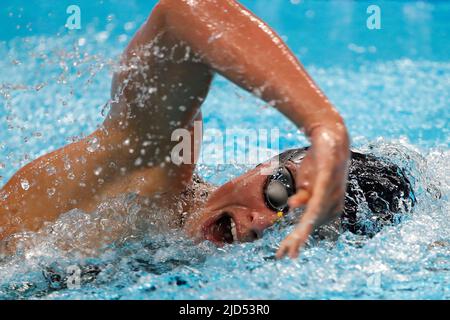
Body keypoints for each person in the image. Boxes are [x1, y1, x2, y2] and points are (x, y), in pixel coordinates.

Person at [2, 0, 364, 259]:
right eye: (280, 194)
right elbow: (183, 13)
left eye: (295, 227)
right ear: (263, 165)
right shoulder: (158, 162)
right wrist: (324, 126)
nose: (263, 226)